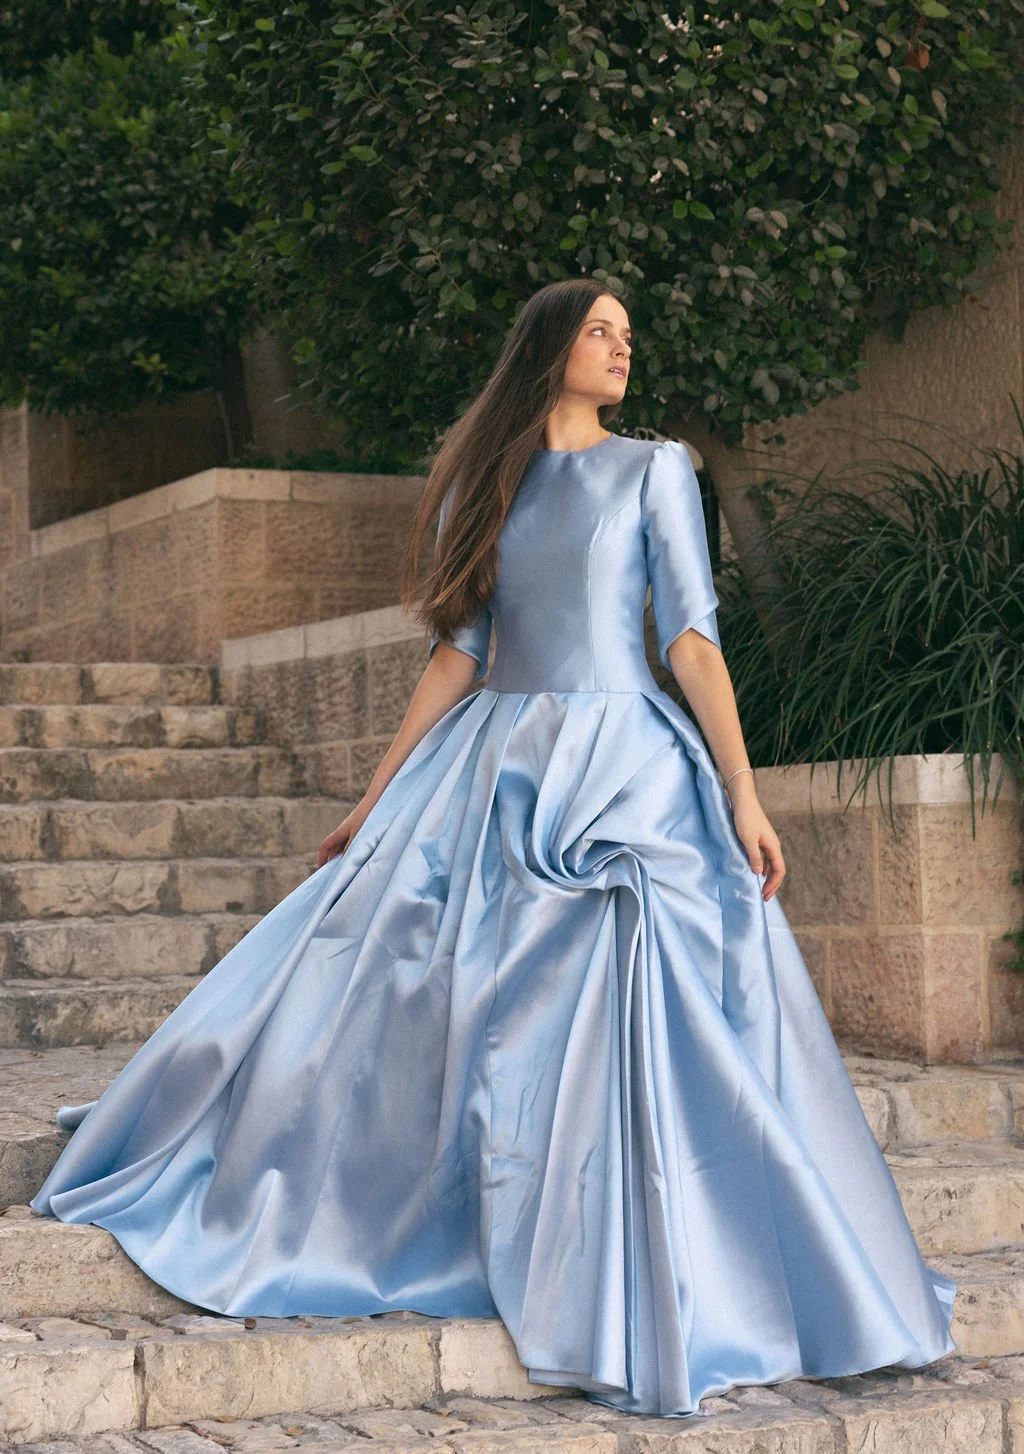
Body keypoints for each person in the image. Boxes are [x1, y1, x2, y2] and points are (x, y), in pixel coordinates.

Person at [31, 278, 956, 1419]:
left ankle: (686, 1260)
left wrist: (740, 792)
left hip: (628, 768)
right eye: (601, 330)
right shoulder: (490, 478)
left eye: (628, 335)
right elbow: (458, 652)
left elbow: (690, 641)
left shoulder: (658, 468)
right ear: (549, 346)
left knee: (649, 978)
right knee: (425, 983)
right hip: (499, 761)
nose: (622, 348)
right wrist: (375, 801)